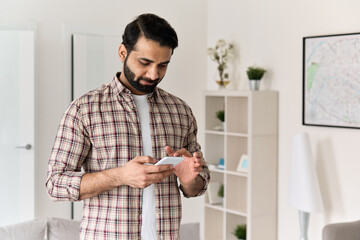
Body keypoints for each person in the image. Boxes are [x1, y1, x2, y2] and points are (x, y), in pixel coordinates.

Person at [46, 13, 210, 240]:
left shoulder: (180, 111)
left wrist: (189, 179)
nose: (154, 74)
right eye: (145, 62)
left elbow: (198, 186)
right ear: (123, 52)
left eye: (163, 65)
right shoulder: (85, 110)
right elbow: (55, 184)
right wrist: (120, 176)